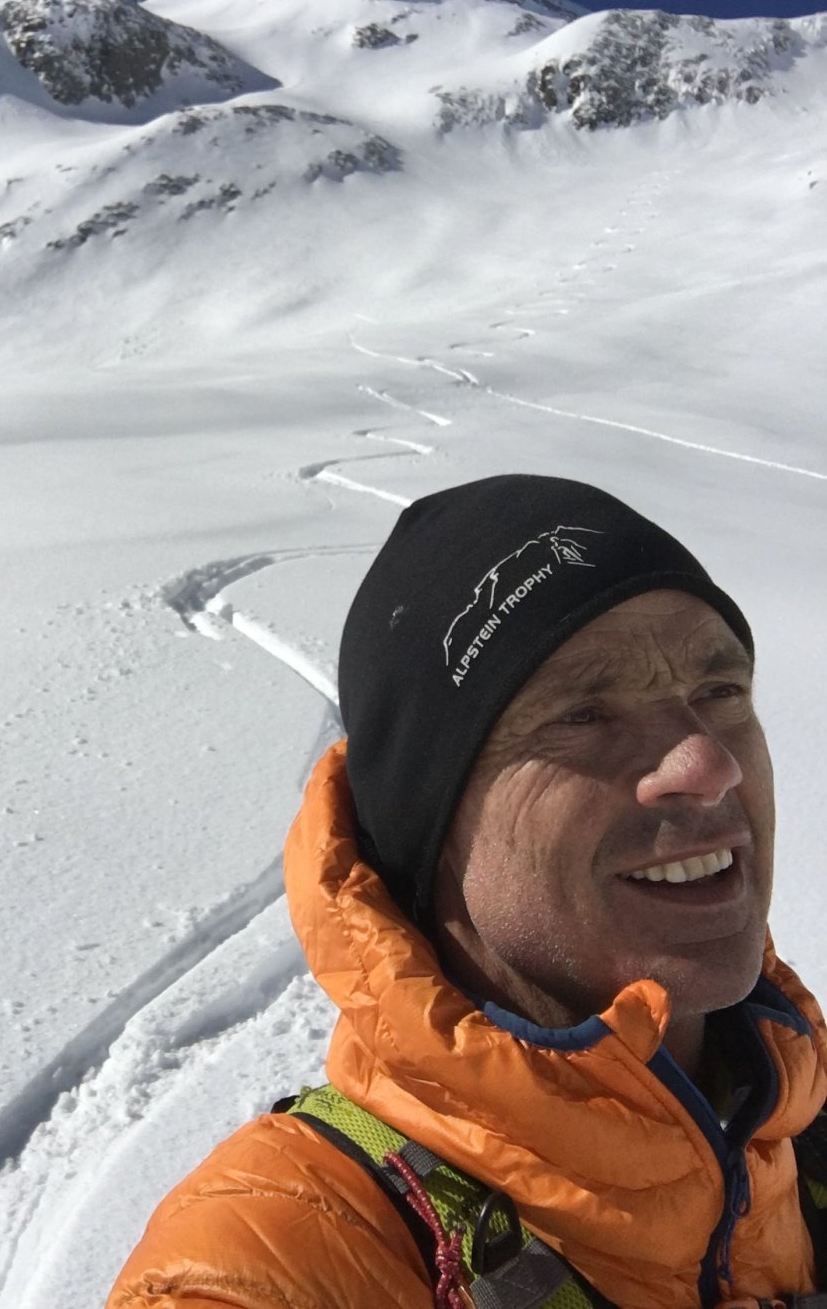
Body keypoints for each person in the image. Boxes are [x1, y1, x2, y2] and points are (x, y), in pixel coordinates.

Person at [107, 475, 827, 1308]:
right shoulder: (272, 1264)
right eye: (582, 715)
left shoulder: (795, 1124)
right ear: (433, 820)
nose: (708, 763)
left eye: (719, 692)